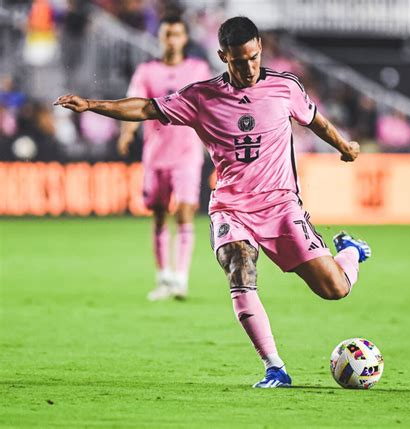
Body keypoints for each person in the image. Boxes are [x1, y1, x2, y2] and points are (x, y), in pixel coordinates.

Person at [54, 16, 371, 388]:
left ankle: (349, 250)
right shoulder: (201, 97)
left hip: (281, 206)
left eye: (254, 57)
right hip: (231, 208)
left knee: (334, 289)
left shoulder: (285, 87)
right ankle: (275, 368)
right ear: (224, 57)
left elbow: (315, 119)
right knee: (240, 268)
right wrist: (91, 104)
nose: (249, 67)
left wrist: (344, 145)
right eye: (240, 61)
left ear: (260, 50)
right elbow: (146, 108)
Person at [117, 15, 211, 300]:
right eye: (167, 34)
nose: (171, 40)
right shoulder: (147, 72)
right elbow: (134, 105)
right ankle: (163, 278)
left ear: (184, 38)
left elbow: (209, 107)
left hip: (187, 154)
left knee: (184, 212)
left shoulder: (198, 68)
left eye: (176, 34)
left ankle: (180, 279)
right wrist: (128, 133)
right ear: (160, 37)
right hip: (156, 156)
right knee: (158, 215)